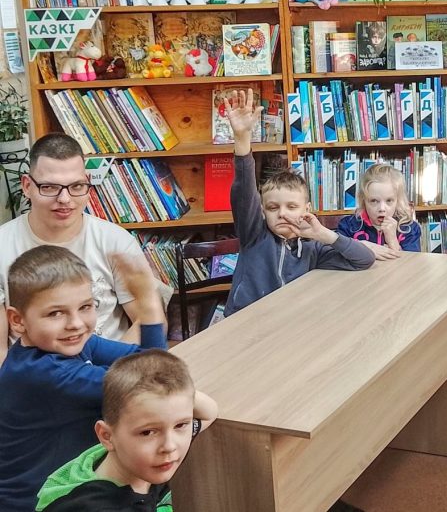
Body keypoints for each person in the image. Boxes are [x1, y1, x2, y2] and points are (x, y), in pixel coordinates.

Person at [0, 247, 168, 510]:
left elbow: (153, 365)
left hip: (72, 488)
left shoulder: (73, 343)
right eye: (55, 313)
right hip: (40, 503)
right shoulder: (44, 373)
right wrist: (148, 303)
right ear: (18, 320)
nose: (76, 323)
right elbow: (152, 386)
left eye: (85, 307)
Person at [0, 134, 165, 365]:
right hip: (34, 377)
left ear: (87, 183)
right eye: (50, 187)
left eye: (76, 186)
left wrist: (116, 376)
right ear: (27, 186)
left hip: (111, 370)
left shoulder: (115, 241)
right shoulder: (3, 245)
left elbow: (147, 319)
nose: (65, 199)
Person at [221, 89, 374, 317]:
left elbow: (364, 260)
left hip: (292, 321)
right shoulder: (253, 234)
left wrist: (324, 235)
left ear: (306, 209)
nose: (282, 213)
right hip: (247, 320)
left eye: (291, 207)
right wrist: (242, 138)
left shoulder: (314, 247)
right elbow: (244, 188)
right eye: (273, 207)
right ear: (262, 211)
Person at [36, 350, 218, 511]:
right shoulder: (98, 506)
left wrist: (169, 390)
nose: (170, 446)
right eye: (147, 433)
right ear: (106, 436)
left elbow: (209, 413)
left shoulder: (133, 454)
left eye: (180, 425)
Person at [337, 163, 420, 258]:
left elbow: (412, 263)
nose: (382, 209)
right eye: (374, 201)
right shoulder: (348, 226)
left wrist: (392, 240)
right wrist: (361, 246)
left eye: (389, 201)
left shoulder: (410, 229)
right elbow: (334, 257)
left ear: (398, 201)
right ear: (363, 201)